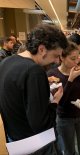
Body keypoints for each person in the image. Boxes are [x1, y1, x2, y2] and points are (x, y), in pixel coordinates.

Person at [0, 24, 68, 154]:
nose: (57, 61)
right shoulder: (34, 71)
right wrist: (55, 102)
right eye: (55, 55)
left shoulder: (6, 62)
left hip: (14, 141)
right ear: (42, 49)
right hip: (35, 144)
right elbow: (41, 124)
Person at [47, 41, 80, 155]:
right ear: (62, 57)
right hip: (65, 118)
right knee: (69, 151)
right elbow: (60, 102)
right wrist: (70, 79)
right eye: (73, 58)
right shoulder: (53, 75)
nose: (77, 61)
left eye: (78, 57)